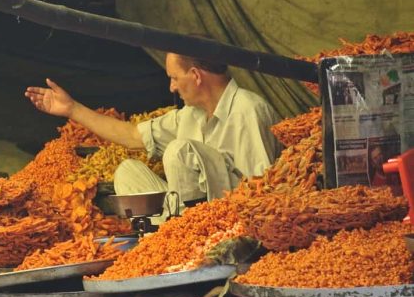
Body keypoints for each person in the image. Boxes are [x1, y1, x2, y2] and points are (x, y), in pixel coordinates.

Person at [25, 52, 280, 215]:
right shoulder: (191, 115)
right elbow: (133, 135)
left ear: (195, 76)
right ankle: (167, 234)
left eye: (174, 77)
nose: (171, 86)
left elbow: (264, 191)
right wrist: (72, 109)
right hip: (184, 215)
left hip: (233, 221)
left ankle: (183, 231)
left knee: (180, 150)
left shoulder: (249, 110)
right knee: (128, 171)